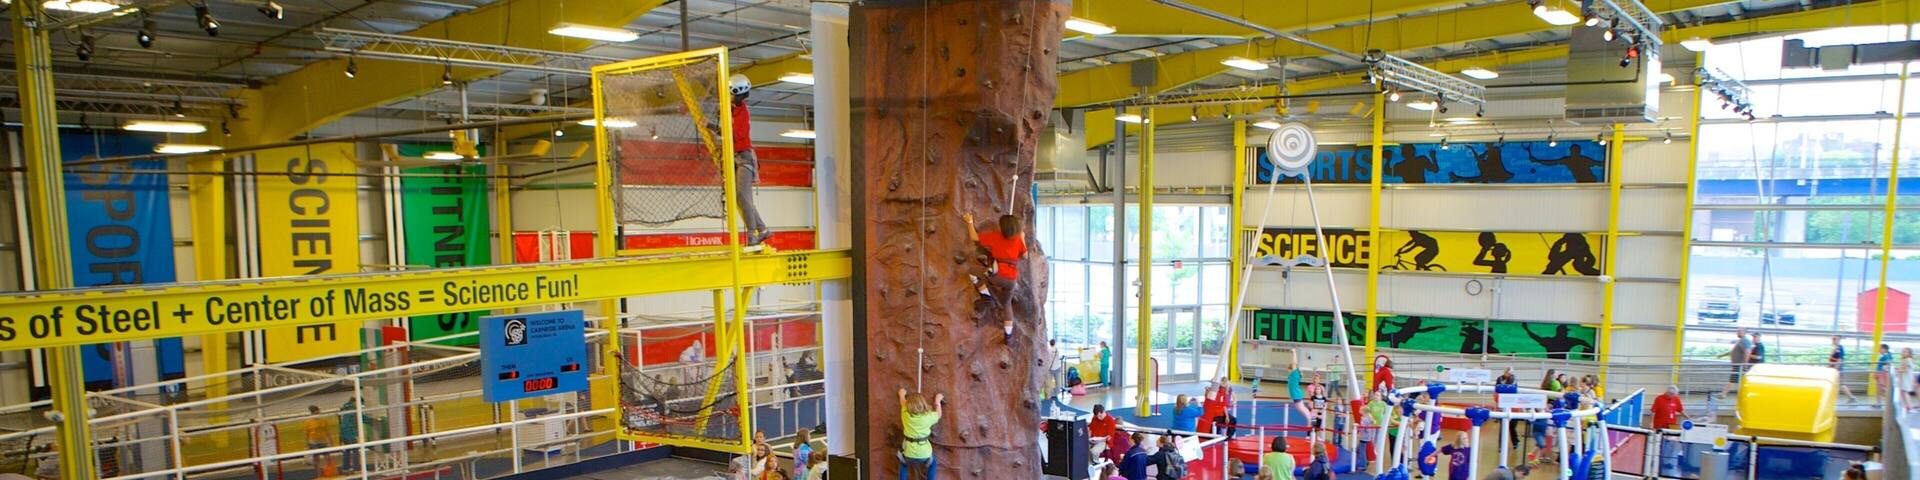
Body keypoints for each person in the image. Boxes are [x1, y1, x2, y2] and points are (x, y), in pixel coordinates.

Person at [965, 212, 1028, 343]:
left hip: (997, 276)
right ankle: (1008, 336)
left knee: (972, 271)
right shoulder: (1017, 240)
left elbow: (974, 237)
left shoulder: (995, 237)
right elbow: (1025, 256)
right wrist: (1022, 238)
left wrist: (969, 222)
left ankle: (986, 294)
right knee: (1006, 304)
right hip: (1011, 280)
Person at [724, 74, 770, 246]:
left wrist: (713, 127)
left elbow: (736, 135)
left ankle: (752, 233)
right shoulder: (733, 110)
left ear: (736, 94)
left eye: (730, 94)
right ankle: (762, 229)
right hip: (738, 157)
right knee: (741, 198)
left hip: (744, 158)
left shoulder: (742, 112)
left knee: (743, 196)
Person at [898, 389, 944, 480]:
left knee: (903, 464)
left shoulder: (905, 414)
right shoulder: (928, 417)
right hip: (924, 453)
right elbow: (938, 414)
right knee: (933, 464)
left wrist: (902, 395)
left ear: (908, 405)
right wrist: (937, 401)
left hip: (908, 452)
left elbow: (903, 402)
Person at [1719, 327, 1751, 397]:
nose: (1737, 333)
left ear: (1743, 332)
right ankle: (1724, 394)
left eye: (1739, 331)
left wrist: (1744, 365)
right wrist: (1722, 355)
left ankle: (1723, 394)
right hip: (1737, 365)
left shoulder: (1745, 341)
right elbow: (1732, 352)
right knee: (1735, 380)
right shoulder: (1741, 341)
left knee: (1733, 380)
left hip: (1740, 366)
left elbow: (1747, 352)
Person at [1832, 336, 1860, 402]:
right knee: (1838, 384)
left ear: (1838, 340)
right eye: (1833, 339)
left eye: (1834, 339)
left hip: (1837, 370)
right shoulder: (1836, 348)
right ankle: (1851, 398)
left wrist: (1835, 369)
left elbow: (1840, 360)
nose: (1833, 340)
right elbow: (1832, 359)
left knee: (1841, 384)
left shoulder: (1840, 348)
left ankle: (1852, 398)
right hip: (1834, 369)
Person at [304, 405, 331, 474]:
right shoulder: (308, 422)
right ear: (312, 413)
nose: (317, 414)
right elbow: (306, 434)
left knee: (327, 457)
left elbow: (327, 431)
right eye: (316, 413)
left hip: (322, 441)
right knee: (316, 458)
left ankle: (330, 471)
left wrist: (330, 440)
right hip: (313, 442)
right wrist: (306, 444)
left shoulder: (323, 421)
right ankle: (318, 473)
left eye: (318, 413)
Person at [338, 399, 360, 473]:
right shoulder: (353, 410)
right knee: (355, 451)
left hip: (343, 434)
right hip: (351, 433)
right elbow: (361, 418)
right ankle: (356, 468)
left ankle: (345, 468)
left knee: (347, 451)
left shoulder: (343, 409)